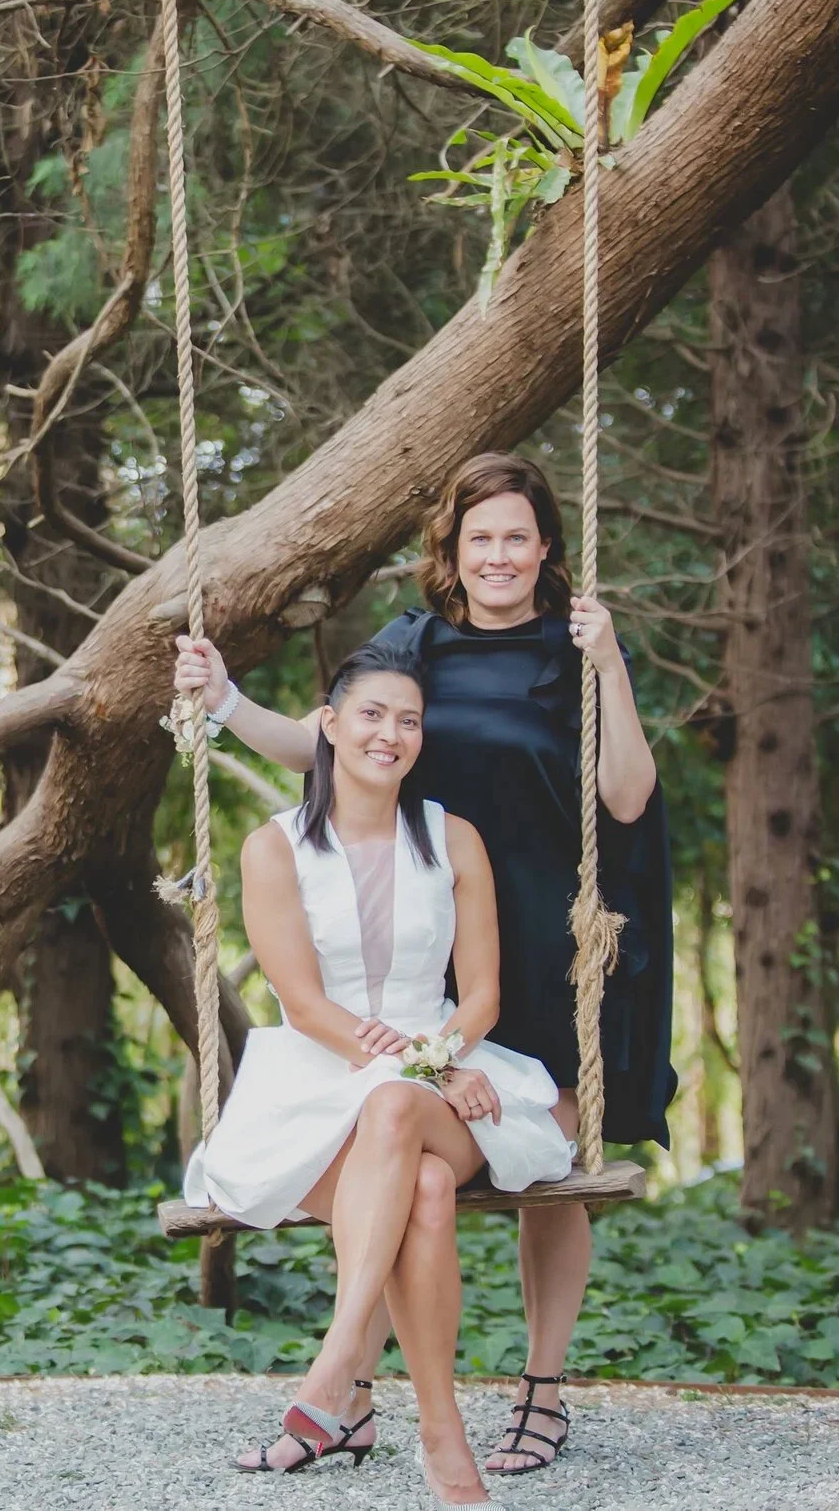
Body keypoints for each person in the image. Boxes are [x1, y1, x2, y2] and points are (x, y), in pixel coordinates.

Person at [174, 450, 678, 1478]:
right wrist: (225, 703)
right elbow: (340, 745)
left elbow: (627, 798)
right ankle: (356, 1392)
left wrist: (613, 662)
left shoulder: (574, 648)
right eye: (478, 537)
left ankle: (540, 1389)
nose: (497, 556)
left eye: (516, 537)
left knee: (559, 1182)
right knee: (381, 1132)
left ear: (545, 549)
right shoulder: (418, 647)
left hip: (541, 949)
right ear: (452, 550)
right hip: (419, 939)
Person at [187, 642, 570, 1508]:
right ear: (327, 726)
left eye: (407, 721)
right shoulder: (271, 848)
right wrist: (422, 1069)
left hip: (445, 1078)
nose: (389, 735)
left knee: (397, 1111)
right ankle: (440, 1437)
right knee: (425, 1192)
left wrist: (437, 1064)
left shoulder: (452, 838)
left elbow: (480, 994)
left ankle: (336, 1370)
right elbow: (306, 1006)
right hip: (316, 1078)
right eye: (369, 715)